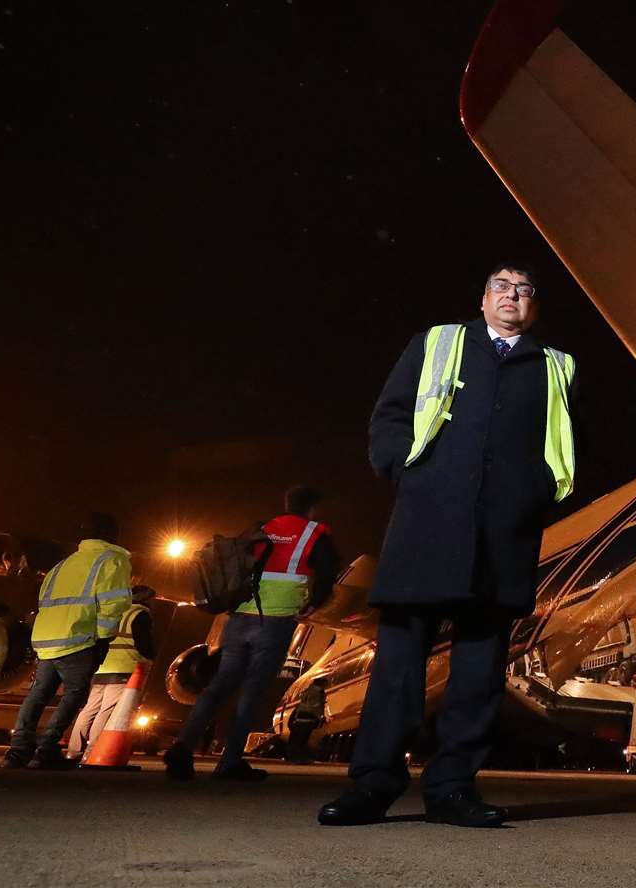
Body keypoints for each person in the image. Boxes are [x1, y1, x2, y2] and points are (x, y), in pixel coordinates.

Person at [319, 264, 578, 828]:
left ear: (535, 306)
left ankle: (453, 788)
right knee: (399, 664)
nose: (514, 296)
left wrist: (535, 492)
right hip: (428, 522)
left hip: (504, 533)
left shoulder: (555, 366)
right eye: (503, 287)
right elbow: (390, 414)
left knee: (479, 672)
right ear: (483, 298)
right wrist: (406, 469)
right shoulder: (437, 343)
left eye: (525, 290)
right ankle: (373, 784)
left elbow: (559, 436)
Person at [165, 486, 340, 782]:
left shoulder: (263, 528)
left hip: (239, 618)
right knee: (253, 691)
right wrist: (313, 605)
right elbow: (327, 573)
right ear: (313, 508)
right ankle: (230, 761)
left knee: (219, 686)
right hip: (276, 622)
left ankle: (182, 747)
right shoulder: (314, 533)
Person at [3, 514, 131, 769]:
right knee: (75, 693)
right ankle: (47, 749)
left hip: (48, 638)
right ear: (112, 535)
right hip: (79, 638)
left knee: (38, 694)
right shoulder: (112, 560)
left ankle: (17, 751)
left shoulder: (64, 564)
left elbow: (44, 599)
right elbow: (113, 603)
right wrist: (103, 637)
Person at [67, 583, 156, 760]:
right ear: (145, 599)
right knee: (106, 711)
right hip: (124, 667)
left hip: (102, 667)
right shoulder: (140, 614)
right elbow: (143, 644)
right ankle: (92, 751)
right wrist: (150, 657)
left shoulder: (115, 612)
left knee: (89, 709)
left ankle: (73, 751)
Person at [286, 677, 328, 764]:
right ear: (322, 684)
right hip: (309, 719)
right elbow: (318, 707)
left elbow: (301, 705)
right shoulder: (319, 692)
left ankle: (291, 757)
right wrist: (321, 718)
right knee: (303, 739)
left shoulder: (307, 691)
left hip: (300, 718)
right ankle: (299, 758)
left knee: (296, 739)